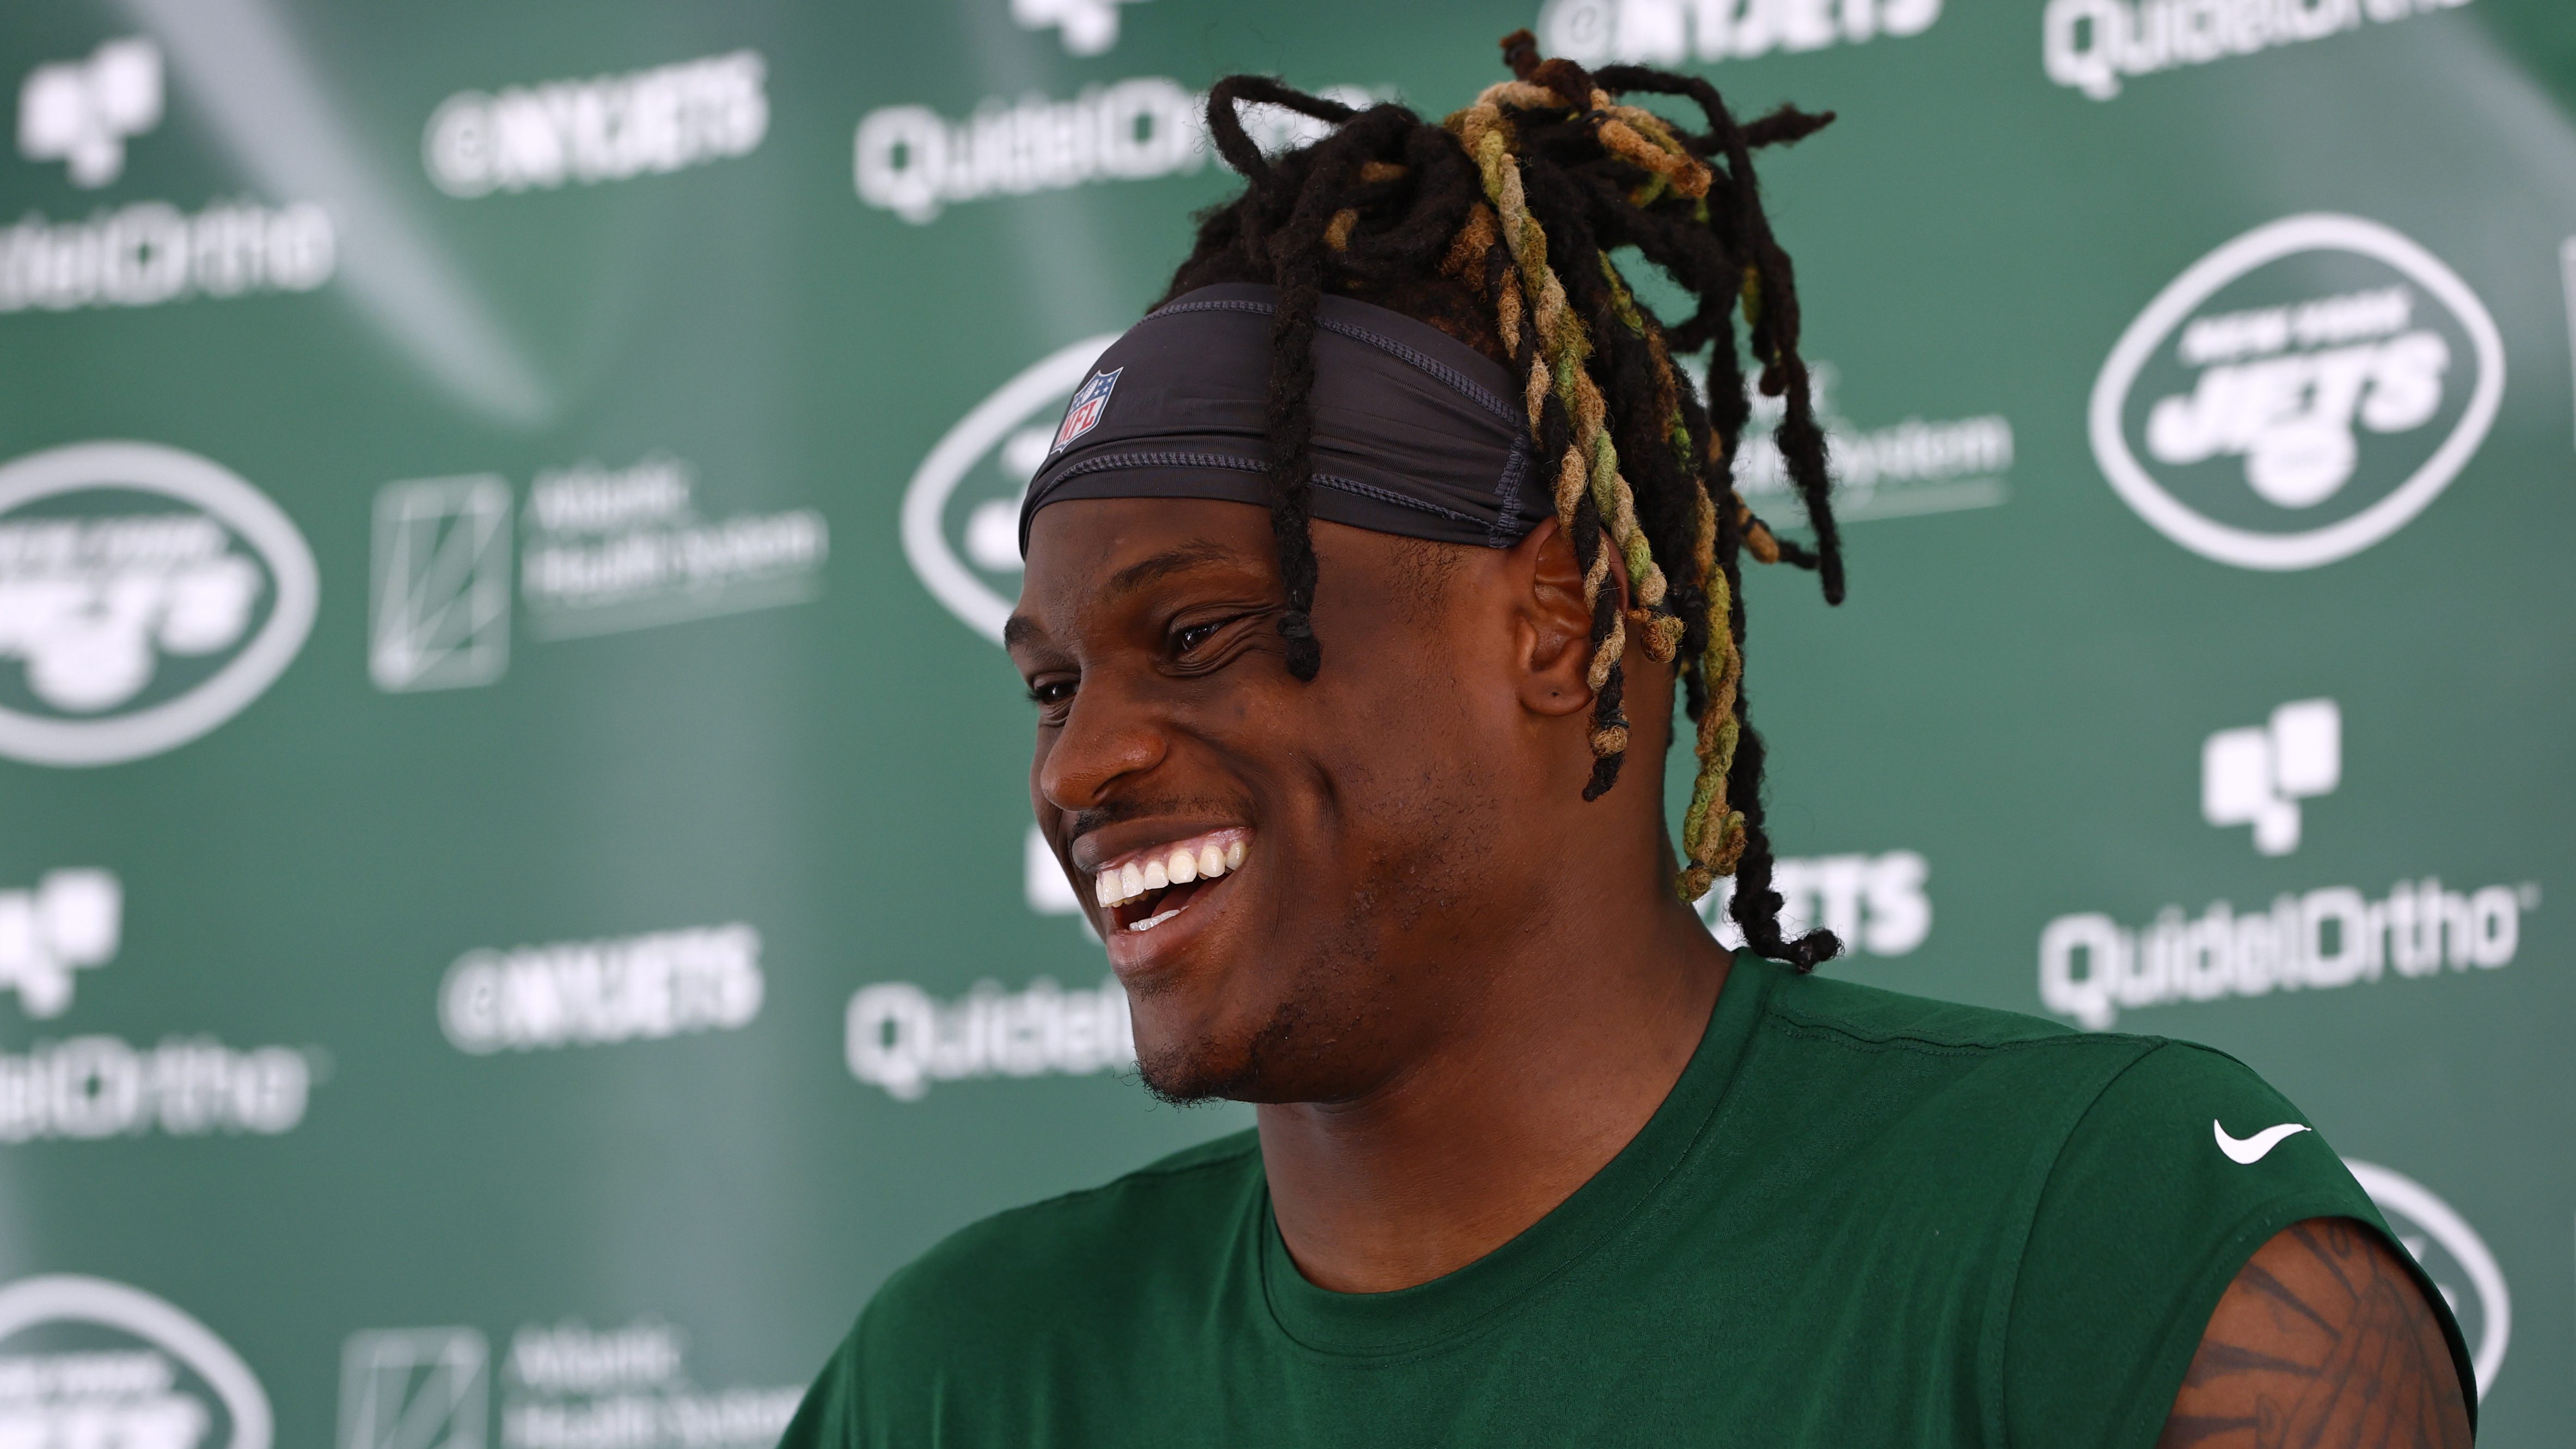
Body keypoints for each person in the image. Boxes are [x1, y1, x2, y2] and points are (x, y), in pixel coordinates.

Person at [783, 33, 2474, 1448]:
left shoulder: (2094, 1237)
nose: (1080, 771)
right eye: (1052, 685)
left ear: (1564, 626)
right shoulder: (956, 1381)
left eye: (1203, 636)